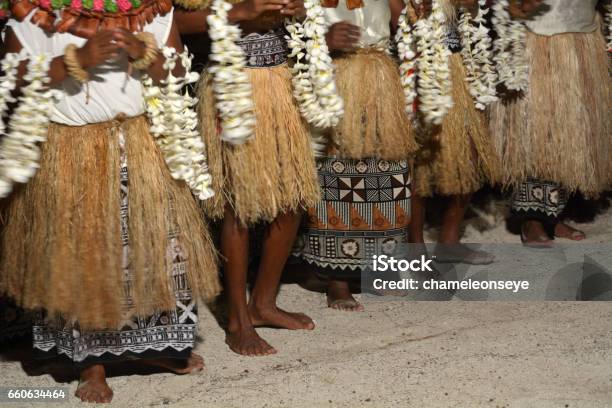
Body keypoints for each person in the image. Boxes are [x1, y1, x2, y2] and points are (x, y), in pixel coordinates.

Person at [0, 0, 220, 402]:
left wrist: (145, 54)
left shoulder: (152, 9)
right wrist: (75, 59)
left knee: (156, 248)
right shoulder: (31, 12)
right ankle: (91, 365)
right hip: (70, 148)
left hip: (139, 142)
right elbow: (14, 78)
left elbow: (176, 73)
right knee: (84, 254)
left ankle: (157, 347)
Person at [175, 0, 317, 356]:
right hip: (232, 87)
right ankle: (238, 319)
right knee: (237, 206)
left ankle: (264, 304)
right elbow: (176, 22)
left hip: (280, 83)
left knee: (292, 199)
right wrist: (238, 13)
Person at [294, 0, 418, 311]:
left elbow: (403, 21)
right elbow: (286, 35)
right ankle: (338, 280)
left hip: (380, 77)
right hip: (332, 77)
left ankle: (380, 266)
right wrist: (322, 40)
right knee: (338, 175)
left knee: (388, 175)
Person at [489, 0, 611, 247]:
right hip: (537, 37)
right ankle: (531, 220)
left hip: (583, 34)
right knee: (536, 130)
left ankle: (551, 215)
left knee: (572, 129)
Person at [408, 0, 500, 265]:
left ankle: (449, 240)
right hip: (417, 63)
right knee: (420, 164)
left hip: (458, 62)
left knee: (470, 154)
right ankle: (416, 250)